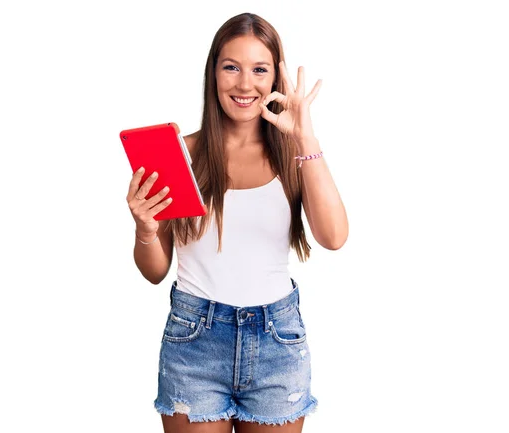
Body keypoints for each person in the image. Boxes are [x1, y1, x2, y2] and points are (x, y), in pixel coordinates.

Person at [126, 12, 348, 433]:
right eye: (232, 67)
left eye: (259, 70)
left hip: (277, 341)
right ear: (213, 74)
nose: (245, 84)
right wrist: (145, 229)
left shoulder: (294, 155)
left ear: (274, 79)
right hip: (195, 343)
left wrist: (306, 137)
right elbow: (155, 271)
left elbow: (334, 237)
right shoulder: (181, 153)